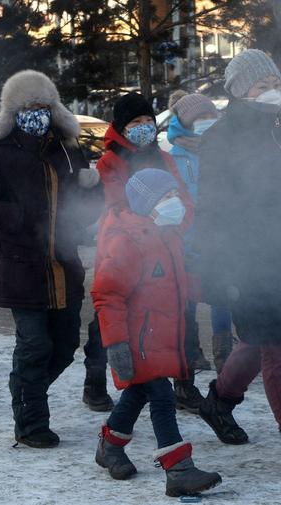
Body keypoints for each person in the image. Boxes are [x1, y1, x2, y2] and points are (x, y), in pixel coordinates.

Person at [193, 49, 281, 478]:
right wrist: (221, 272)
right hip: (249, 261)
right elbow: (212, 212)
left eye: (275, 84)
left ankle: (218, 402)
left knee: (259, 340)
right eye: (261, 86)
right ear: (239, 92)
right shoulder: (221, 139)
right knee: (279, 345)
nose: (272, 93)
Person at [0, 70, 101, 448]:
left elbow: (90, 198)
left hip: (64, 266)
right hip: (23, 268)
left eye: (42, 107)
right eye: (28, 108)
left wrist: (87, 209)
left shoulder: (70, 150)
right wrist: (13, 217)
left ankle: (25, 390)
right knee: (34, 346)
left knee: (65, 345)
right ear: (13, 112)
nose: (36, 114)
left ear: (54, 108)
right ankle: (30, 423)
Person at [92, 169, 221, 497]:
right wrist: (116, 343)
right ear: (146, 205)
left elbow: (176, 283)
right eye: (166, 198)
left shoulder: (167, 235)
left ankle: (109, 447)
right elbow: (107, 293)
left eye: (175, 195)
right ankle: (178, 469)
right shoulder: (128, 241)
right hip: (138, 339)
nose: (175, 202)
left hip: (158, 337)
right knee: (161, 397)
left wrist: (213, 291)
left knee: (138, 393)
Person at [85, 92, 197, 412]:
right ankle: (94, 381)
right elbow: (115, 208)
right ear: (121, 127)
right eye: (136, 122)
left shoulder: (165, 158)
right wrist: (145, 233)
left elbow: (184, 201)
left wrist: (175, 225)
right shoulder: (110, 162)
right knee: (106, 320)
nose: (144, 127)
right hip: (124, 252)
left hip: (168, 249)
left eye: (149, 120)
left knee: (175, 312)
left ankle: (183, 383)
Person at [167, 91, 235, 377]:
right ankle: (191, 352)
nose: (207, 122)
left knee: (222, 298)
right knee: (188, 301)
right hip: (186, 241)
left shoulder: (223, 153)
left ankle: (225, 356)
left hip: (219, 239)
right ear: (184, 122)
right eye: (200, 117)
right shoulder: (172, 159)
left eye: (211, 116)